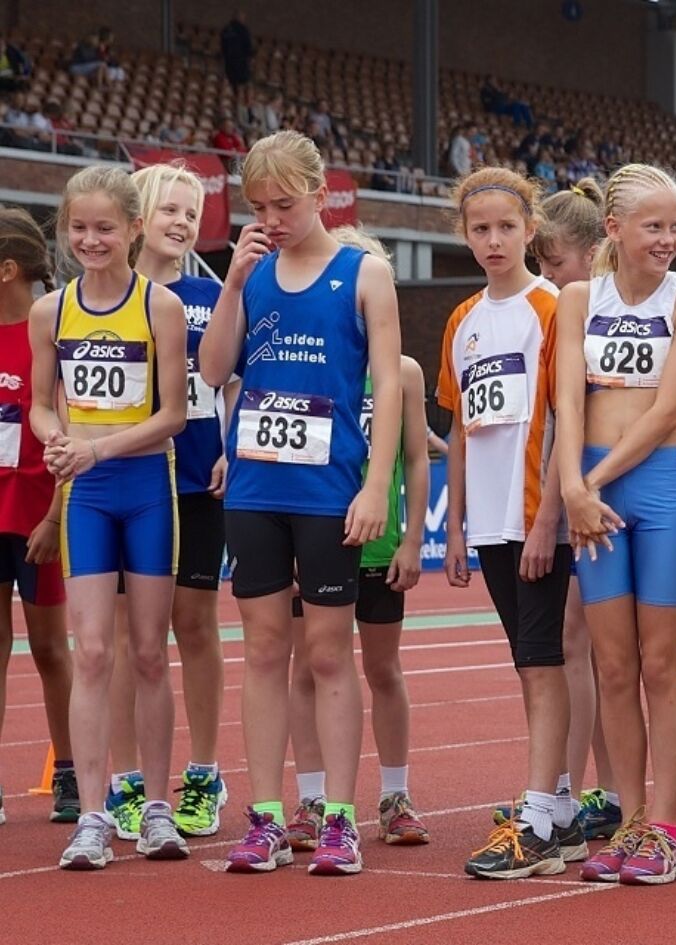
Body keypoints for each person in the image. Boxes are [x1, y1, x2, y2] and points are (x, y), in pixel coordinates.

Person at [199, 130, 403, 876]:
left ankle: (341, 817)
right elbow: (214, 367)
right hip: (255, 489)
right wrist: (231, 282)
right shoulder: (251, 274)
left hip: (328, 489)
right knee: (259, 650)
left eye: (286, 203)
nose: (273, 218)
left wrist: (377, 484)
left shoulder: (365, 273)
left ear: (323, 195)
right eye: (258, 206)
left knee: (326, 651)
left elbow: (387, 387)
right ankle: (265, 817)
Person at [29, 166, 189, 869]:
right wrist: (53, 438)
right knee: (92, 651)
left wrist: (97, 448)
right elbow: (40, 401)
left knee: (149, 653)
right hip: (88, 496)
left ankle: (157, 808)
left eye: (104, 227)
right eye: (78, 228)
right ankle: (93, 814)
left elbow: (174, 415)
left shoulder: (160, 308)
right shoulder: (51, 312)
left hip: (147, 485)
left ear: (131, 228)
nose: (90, 240)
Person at [558, 163, 676, 885]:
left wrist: (589, 483)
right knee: (612, 664)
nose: (667, 238)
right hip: (588, 482)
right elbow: (565, 401)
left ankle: (666, 825)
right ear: (613, 229)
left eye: (674, 226)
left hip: (654, 485)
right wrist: (571, 485)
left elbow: (664, 411)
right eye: (653, 226)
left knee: (659, 661)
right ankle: (627, 822)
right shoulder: (578, 298)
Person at [440, 167, 582, 879]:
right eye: (479, 229)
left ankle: (538, 818)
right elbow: (461, 425)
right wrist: (457, 524)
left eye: (505, 226)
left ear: (532, 229)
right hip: (491, 521)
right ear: (464, 236)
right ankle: (555, 804)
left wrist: (546, 517)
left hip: (538, 519)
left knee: (544, 659)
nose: (493, 240)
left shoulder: (555, 306)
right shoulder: (463, 319)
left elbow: (564, 416)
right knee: (529, 662)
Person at [287, 225, 431, 852]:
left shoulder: (401, 371)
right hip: (313, 533)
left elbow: (419, 458)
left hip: (378, 547)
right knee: (308, 669)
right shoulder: (312, 359)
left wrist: (409, 542)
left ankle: (395, 794)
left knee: (381, 669)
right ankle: (312, 798)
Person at [103, 163, 235, 842]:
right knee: (131, 637)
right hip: (130, 482)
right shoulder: (109, 298)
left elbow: (234, 381)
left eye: (192, 213)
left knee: (196, 625)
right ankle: (125, 779)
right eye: (171, 211)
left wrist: (230, 447)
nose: (183, 223)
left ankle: (205, 770)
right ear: (139, 218)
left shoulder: (208, 298)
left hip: (198, 484)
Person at [531, 181, 623, 841]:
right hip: (571, 482)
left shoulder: (602, 311)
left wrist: (563, 500)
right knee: (579, 645)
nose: (548, 276)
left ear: (594, 252)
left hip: (605, 487)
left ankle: (612, 791)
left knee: (604, 647)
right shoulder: (567, 310)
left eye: (555, 263)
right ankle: (581, 789)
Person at [0, 207, 75, 826]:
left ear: (7, 270)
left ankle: (71, 773)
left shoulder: (47, 333)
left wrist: (55, 515)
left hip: (40, 518)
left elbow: (70, 428)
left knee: (51, 648)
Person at [220, 12, 254, 109]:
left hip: (229, 64)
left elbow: (223, 48)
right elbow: (248, 47)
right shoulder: (243, 30)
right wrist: (250, 58)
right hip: (240, 63)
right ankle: (239, 106)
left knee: (234, 86)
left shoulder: (226, 30)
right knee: (241, 86)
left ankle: (238, 105)